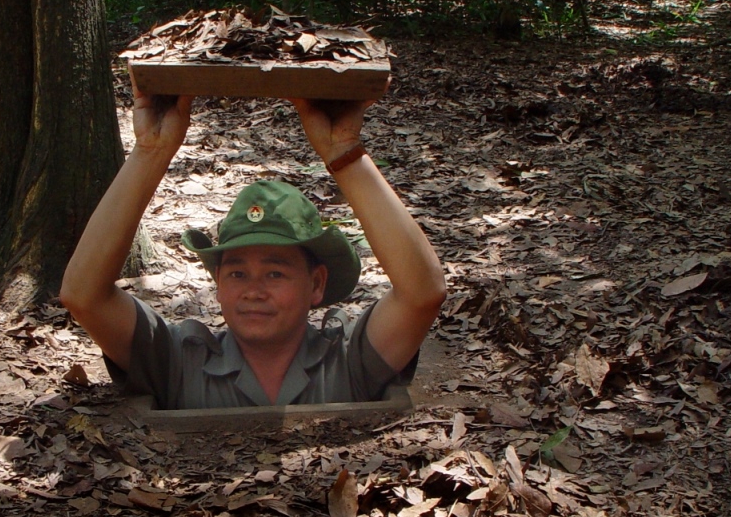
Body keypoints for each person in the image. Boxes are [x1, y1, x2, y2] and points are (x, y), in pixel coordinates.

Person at [59, 87, 446, 410]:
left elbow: (422, 294)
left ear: (316, 284)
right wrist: (151, 150)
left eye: (275, 272)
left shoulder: (347, 360)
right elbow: (84, 296)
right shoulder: (179, 361)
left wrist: (344, 152)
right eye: (237, 273)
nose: (253, 290)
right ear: (218, 285)